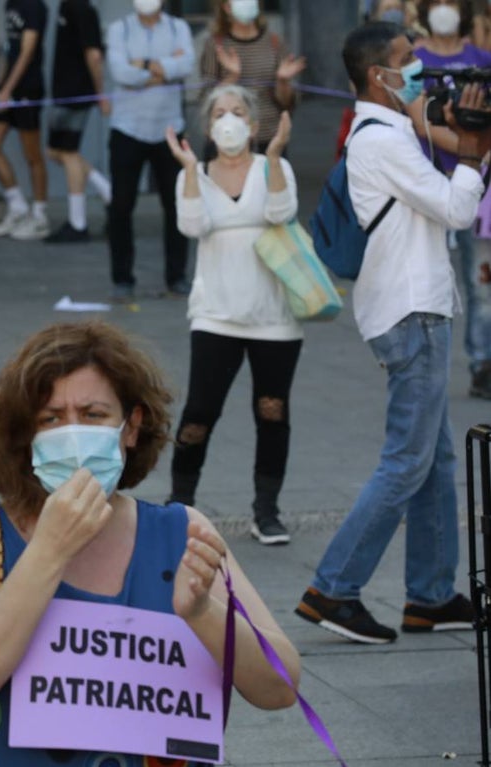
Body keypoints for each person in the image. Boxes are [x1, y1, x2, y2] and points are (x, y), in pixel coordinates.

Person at [0, 321, 300, 763]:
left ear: (131, 427)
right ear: (27, 438)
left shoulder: (181, 531)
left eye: (94, 414)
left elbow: (280, 687)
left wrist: (204, 614)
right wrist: (48, 553)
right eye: (51, 419)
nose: (74, 433)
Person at [296, 22, 489, 644]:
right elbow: (459, 209)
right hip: (414, 316)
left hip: (410, 310)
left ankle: (430, 596)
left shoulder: (386, 129)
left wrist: (457, 127)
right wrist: (471, 153)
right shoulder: (382, 141)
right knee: (406, 462)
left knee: (432, 460)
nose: (418, 66)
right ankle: (334, 589)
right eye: (407, 60)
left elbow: (441, 145)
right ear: (377, 75)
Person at [164, 85, 300, 546]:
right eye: (219, 113)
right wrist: (186, 170)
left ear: (254, 124)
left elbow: (282, 212)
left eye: (238, 112)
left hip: (274, 316)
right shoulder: (196, 174)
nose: (229, 120)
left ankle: (267, 510)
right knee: (199, 412)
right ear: (207, 127)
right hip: (215, 315)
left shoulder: (272, 168)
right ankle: (179, 504)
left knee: (272, 411)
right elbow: (191, 225)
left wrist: (277, 154)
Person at [407, 0, 491, 398]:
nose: (444, 9)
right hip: (433, 183)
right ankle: (428, 365)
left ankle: (483, 363)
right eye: (437, 2)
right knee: (434, 280)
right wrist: (472, 146)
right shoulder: (415, 63)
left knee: (481, 284)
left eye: (451, 2)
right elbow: (418, 120)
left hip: (480, 188)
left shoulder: (481, 59)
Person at [106, 0, 194, 300]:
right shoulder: (119, 29)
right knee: (121, 206)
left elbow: (187, 65)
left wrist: (141, 65)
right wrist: (163, 68)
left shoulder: (178, 27)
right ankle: (122, 278)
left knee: (176, 205)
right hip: (127, 128)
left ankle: (177, 276)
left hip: (169, 128)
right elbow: (120, 73)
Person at [42, 0, 112, 244]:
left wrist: (100, 93)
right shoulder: (65, 6)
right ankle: (107, 192)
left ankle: (77, 222)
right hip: (63, 92)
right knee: (55, 151)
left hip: (77, 93)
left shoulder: (85, 11)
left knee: (69, 153)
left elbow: (94, 55)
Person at [199, 0, 306, 155]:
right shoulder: (216, 45)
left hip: (268, 138)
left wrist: (283, 81)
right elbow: (206, 100)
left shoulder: (274, 42)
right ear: (227, 7)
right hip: (226, 138)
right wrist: (232, 76)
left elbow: (287, 103)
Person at [0, 0, 49, 241]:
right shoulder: (10, 4)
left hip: (27, 89)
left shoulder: (35, 7)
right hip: (7, 88)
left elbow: (27, 51)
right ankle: (18, 207)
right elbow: (9, 50)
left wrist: (7, 90)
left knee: (32, 155)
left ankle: (40, 215)